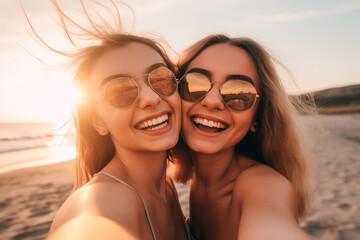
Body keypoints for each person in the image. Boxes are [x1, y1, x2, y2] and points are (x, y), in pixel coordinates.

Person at [23, 1, 190, 239]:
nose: (151, 98)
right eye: (121, 91)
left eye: (161, 78)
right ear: (98, 122)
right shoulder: (105, 202)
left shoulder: (166, 186)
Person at [171, 34, 313, 240]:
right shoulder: (184, 182)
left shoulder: (264, 185)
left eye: (239, 93)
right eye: (195, 83)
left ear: (257, 117)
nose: (212, 101)